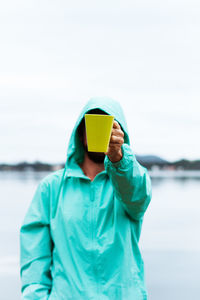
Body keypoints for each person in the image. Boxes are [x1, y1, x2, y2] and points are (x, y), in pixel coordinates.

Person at [19, 97, 152, 300]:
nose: (101, 130)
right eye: (93, 124)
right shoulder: (52, 187)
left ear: (120, 133)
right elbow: (34, 256)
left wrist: (119, 158)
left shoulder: (131, 181)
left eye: (109, 124)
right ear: (81, 135)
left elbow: (137, 199)